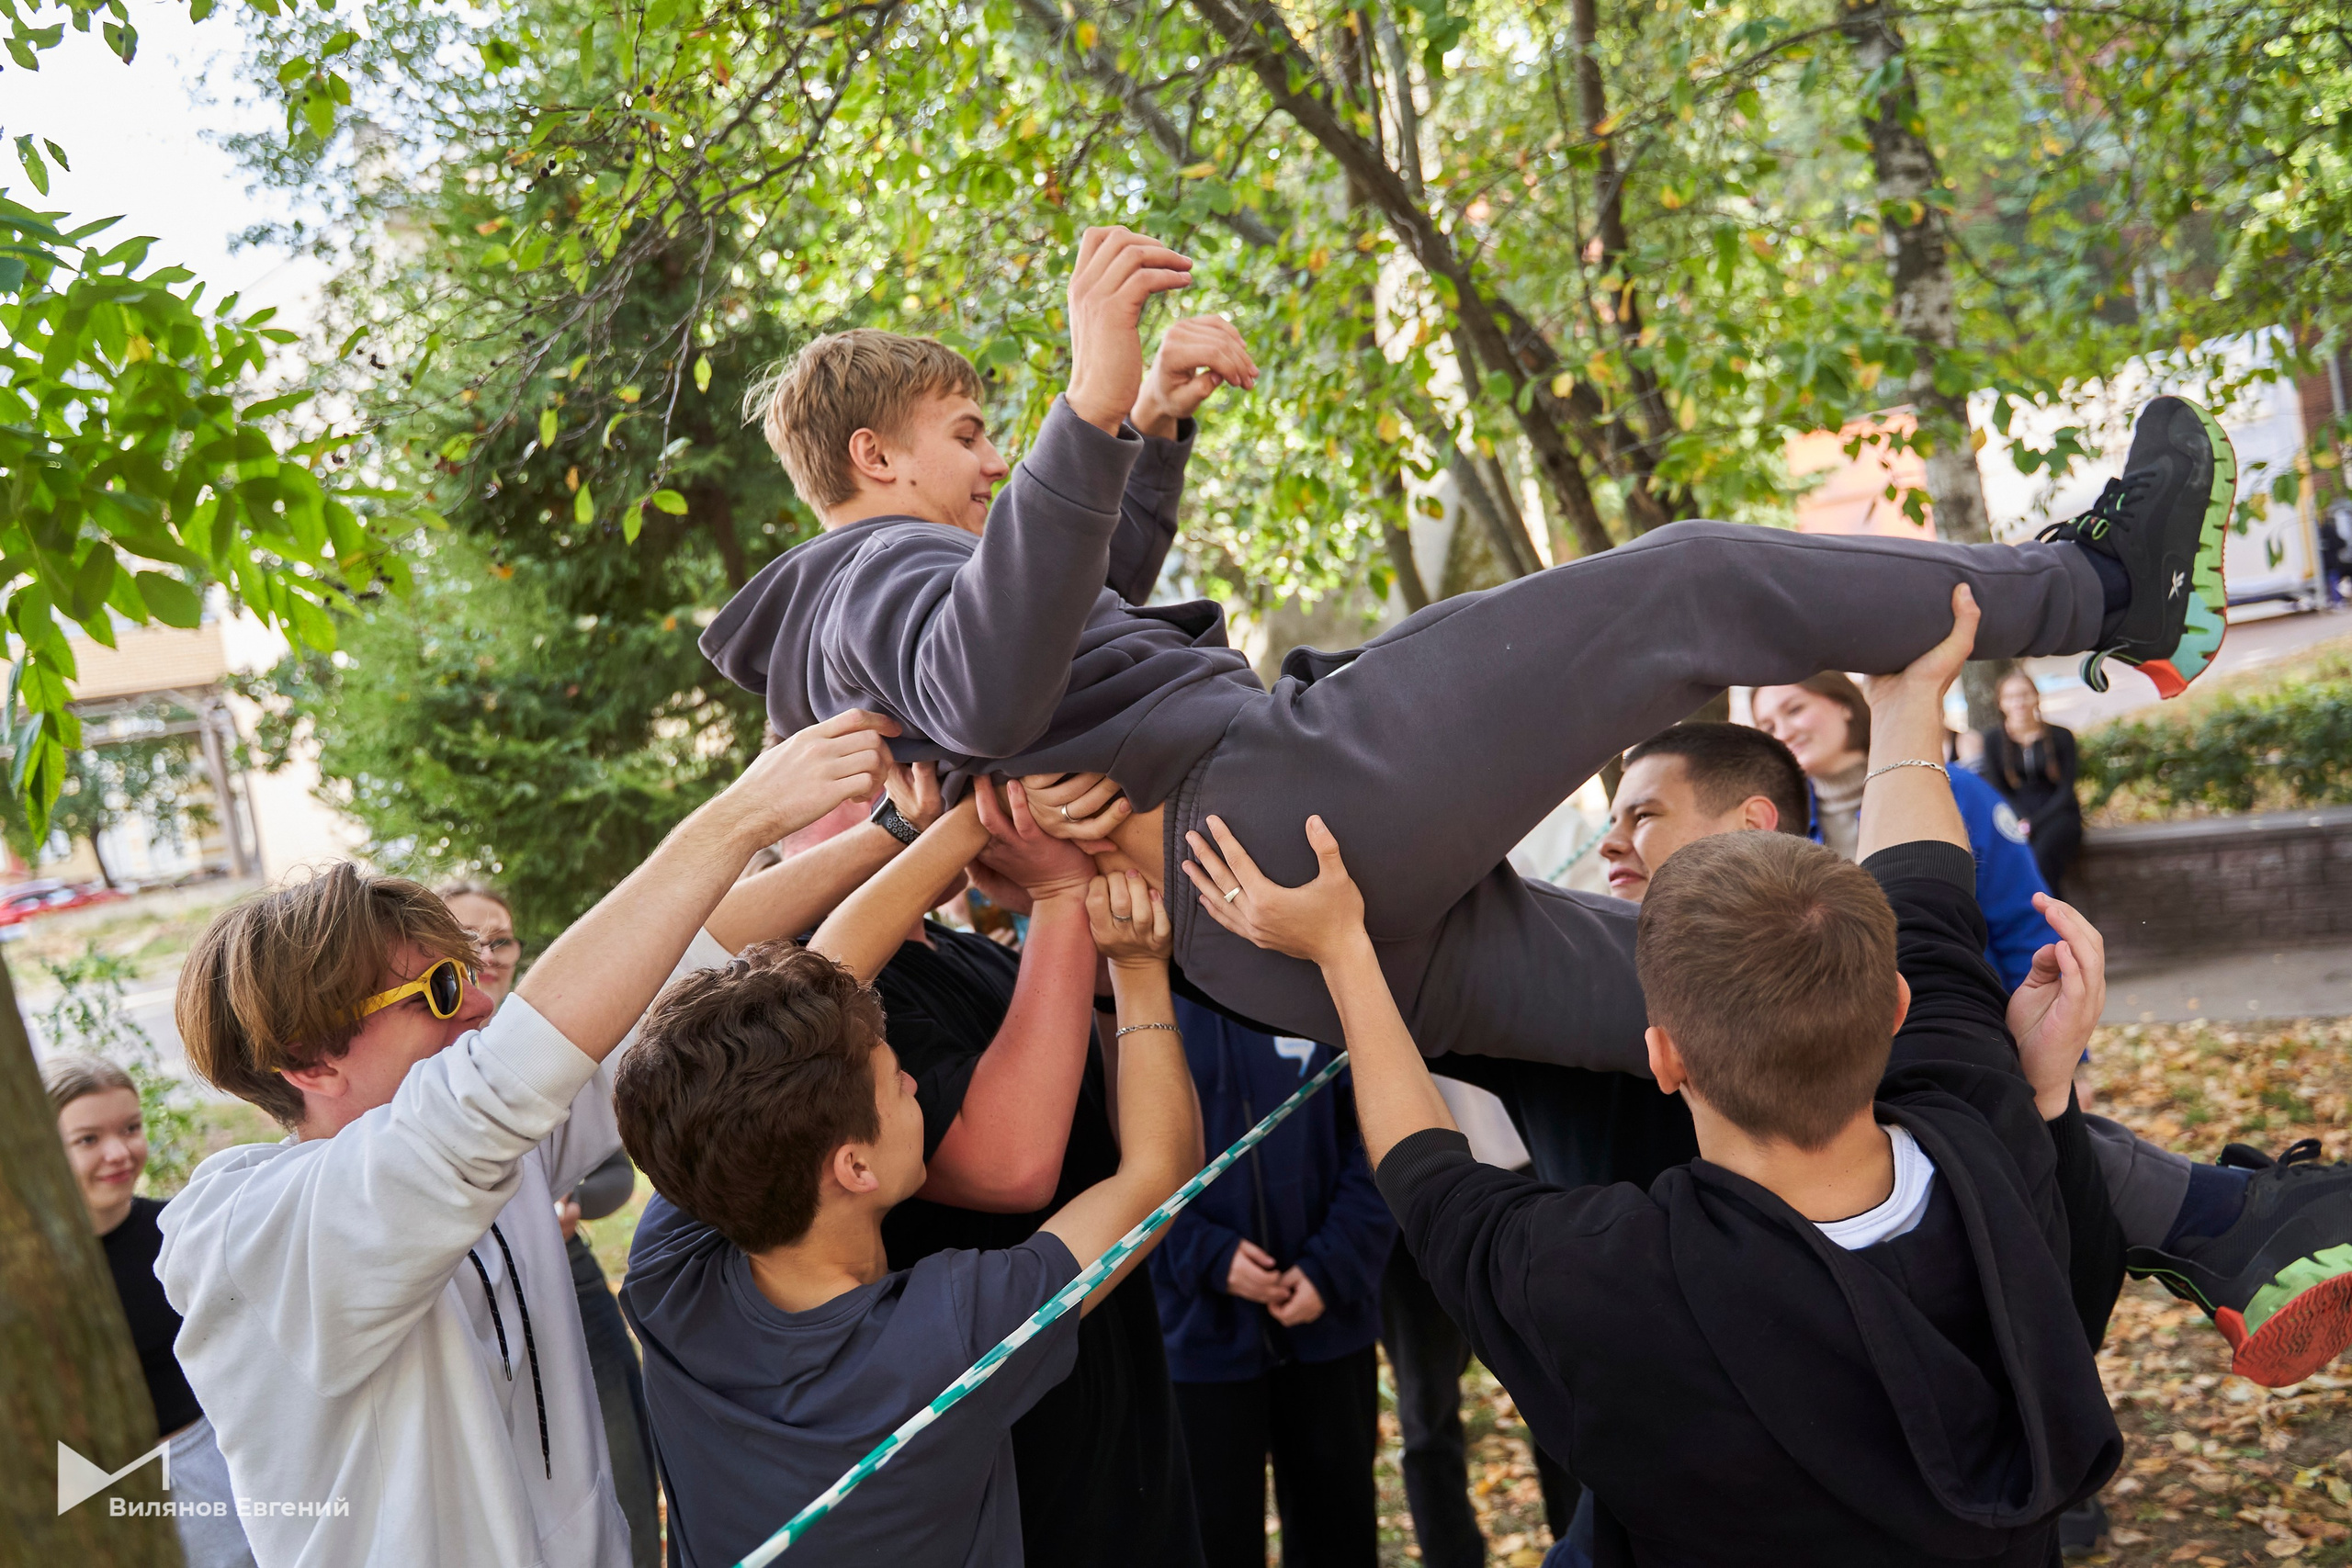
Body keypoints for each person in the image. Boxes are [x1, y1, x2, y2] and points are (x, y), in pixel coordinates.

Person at [702, 220, 2233, 1092]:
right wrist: (1088, 405)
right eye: (967, 436)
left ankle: (2196, 1220)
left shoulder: (898, 599)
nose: (988, 464)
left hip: (1268, 919)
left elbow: (1056, 638)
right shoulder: (868, 569)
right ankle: (2100, 595)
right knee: (1681, 584)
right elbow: (988, 675)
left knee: (1763, 1011)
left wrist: (1144, 438)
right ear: (870, 458)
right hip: (1270, 807)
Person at [1180, 586, 2128, 1565]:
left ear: (1662, 1056)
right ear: (1891, 1010)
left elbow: (1423, 1173)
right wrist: (2044, 1092)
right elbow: (1924, 894)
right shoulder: (1983, 1141)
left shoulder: (1618, 1278)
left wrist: (1342, 950)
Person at [156, 710, 901, 1567]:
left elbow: (690, 960)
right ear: (309, 1059)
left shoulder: (495, 1156)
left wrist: (898, 832)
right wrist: (741, 815)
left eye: (471, 972)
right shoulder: (258, 1237)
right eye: (438, 988)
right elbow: (514, 1064)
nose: (479, 1002)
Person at [1596, 716, 2352, 1392]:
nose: (1611, 838)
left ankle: (2219, 1219)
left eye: (1644, 813)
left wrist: (2054, 1080)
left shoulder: (1929, 807)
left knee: (1996, 1127)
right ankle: (2218, 1218)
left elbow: (1969, 917)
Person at [613, 809, 1203, 1568]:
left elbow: (827, 975)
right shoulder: (947, 1338)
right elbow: (1158, 1176)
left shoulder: (671, 1271)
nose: (918, 1081)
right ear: (854, 1166)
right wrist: (1138, 966)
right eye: (900, 1085)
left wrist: (956, 823)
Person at [438, 879, 661, 1568]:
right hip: (466, 1295)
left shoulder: (562, 1040)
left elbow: (616, 1172)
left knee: (622, 1450)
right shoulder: (436, 1074)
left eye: (501, 938)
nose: (490, 953)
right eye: (469, 940)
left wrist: (560, 1207)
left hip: (571, 1270)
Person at [1149, 999, 1393, 1568]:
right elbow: (1118, 1162)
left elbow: (1381, 1136)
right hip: (1197, 1340)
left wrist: (1332, 1266)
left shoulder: (1314, 978)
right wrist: (1202, 1252)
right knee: (1214, 1537)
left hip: (1329, 1326)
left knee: (1339, 1530)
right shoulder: (1134, 1000)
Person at [45, 1055, 256, 1568]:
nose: (119, 1152)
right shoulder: (27, 1273)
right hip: (87, 1490)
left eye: (131, 1128)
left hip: (206, 1467)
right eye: (88, 1140)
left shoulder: (180, 1233)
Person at [1753, 670, 2059, 989]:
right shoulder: (1777, 826)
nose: (1783, 732)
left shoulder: (1956, 790)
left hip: (1966, 1015)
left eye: (1795, 709)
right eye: (1768, 726)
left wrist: (2052, 1029)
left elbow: (2023, 922)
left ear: (1844, 704)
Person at [1977, 671, 2085, 896]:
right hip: (2015, 814)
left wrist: (2033, 823)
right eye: (2010, 697)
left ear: (2036, 697)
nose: (2019, 702)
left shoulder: (2061, 736)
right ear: (2001, 703)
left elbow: (2066, 790)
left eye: (2024, 694)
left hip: (2058, 814)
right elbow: (1997, 789)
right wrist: (2019, 819)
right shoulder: (1993, 740)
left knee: (2041, 856)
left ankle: (2051, 920)